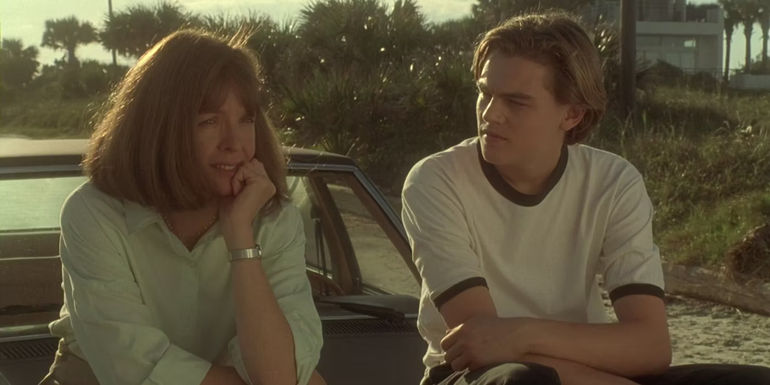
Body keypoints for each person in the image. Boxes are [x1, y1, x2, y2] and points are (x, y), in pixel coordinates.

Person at [401, 11, 770, 385]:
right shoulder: (436, 180)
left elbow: (651, 347)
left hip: (583, 365)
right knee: (521, 380)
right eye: (485, 93)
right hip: (474, 375)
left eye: (516, 102)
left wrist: (524, 333)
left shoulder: (613, 182)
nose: (491, 114)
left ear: (573, 114)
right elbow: (481, 344)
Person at [40, 29, 324, 385]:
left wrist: (240, 236)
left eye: (246, 120)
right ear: (160, 128)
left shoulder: (271, 218)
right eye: (209, 121)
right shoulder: (95, 214)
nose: (234, 143)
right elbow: (132, 366)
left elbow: (278, 375)